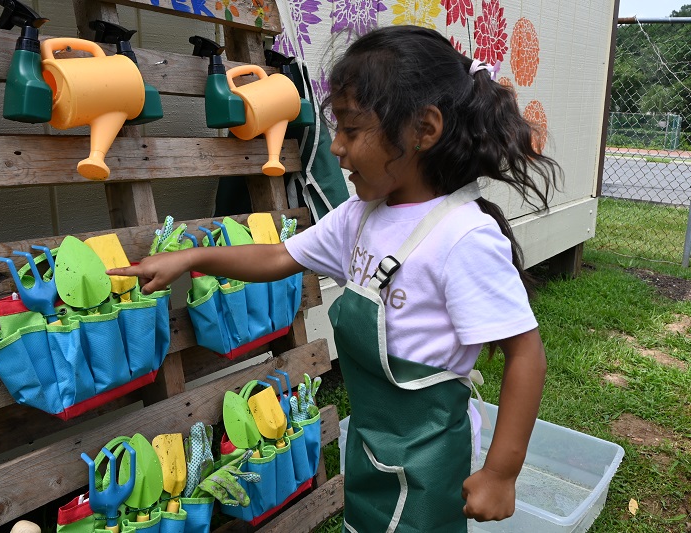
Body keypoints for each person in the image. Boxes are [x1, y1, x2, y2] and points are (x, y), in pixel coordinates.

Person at [109, 25, 560, 532]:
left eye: (351, 129)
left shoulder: (463, 237)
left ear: (423, 130)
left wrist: (501, 472)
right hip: (370, 447)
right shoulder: (359, 216)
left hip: (430, 457)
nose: (337, 148)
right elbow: (279, 257)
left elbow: (526, 354)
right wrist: (190, 260)